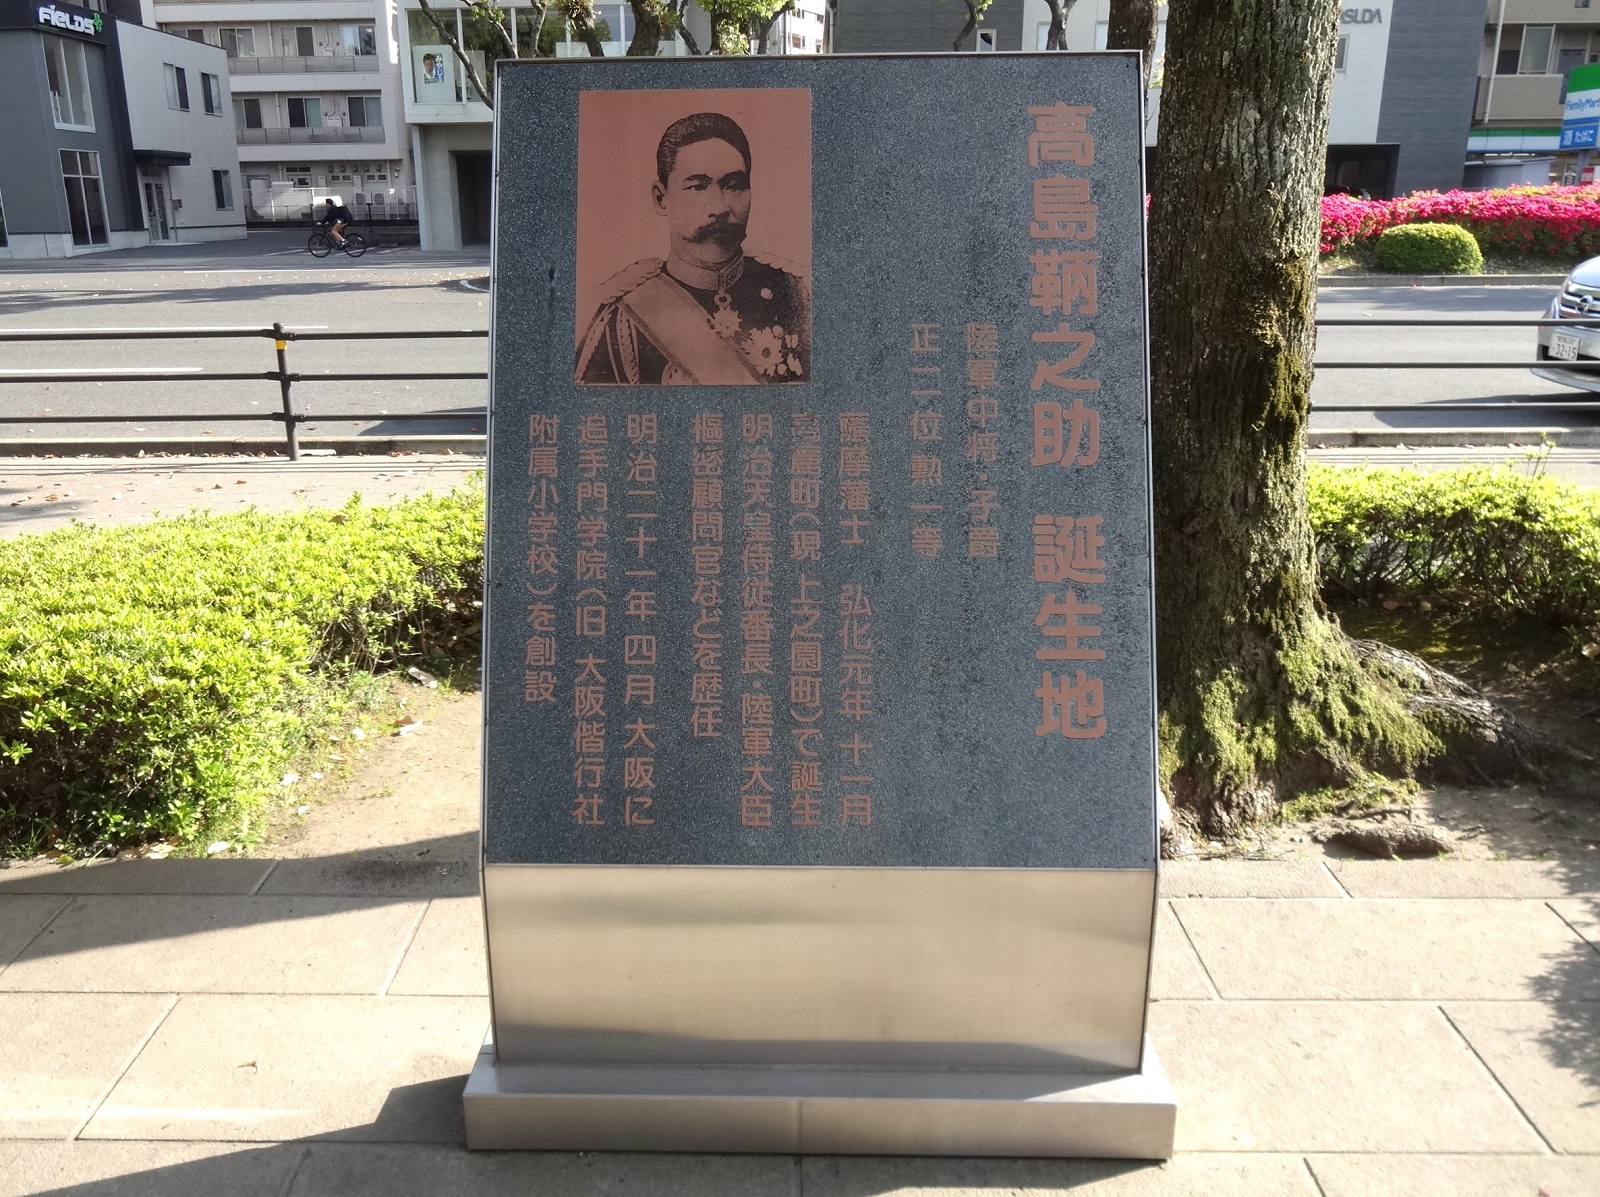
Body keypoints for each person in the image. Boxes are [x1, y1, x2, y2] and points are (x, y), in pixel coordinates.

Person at [576, 111, 811, 386]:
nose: (719, 207)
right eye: (698, 187)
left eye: (734, 186)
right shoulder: (624, 319)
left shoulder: (791, 294)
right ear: (661, 198)